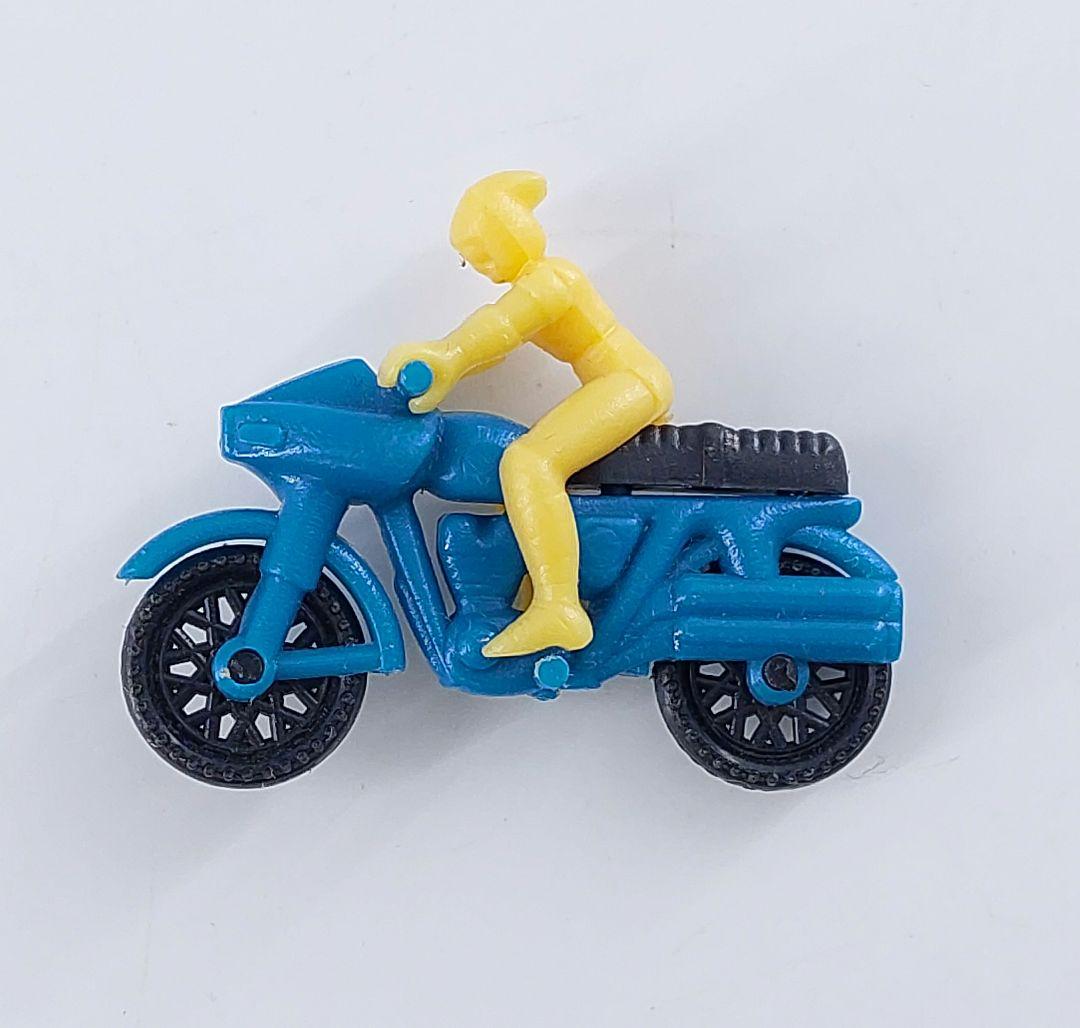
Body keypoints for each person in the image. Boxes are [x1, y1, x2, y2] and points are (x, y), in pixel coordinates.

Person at [379, 171, 673, 658]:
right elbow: (498, 343)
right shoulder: (539, 281)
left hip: (630, 382)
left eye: (482, 250)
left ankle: (559, 607)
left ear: (507, 233)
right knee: (519, 483)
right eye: (471, 257)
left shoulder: (552, 278)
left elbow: (504, 325)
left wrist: (449, 353)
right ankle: (528, 590)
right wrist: (448, 360)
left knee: (529, 463)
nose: (480, 265)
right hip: (621, 382)